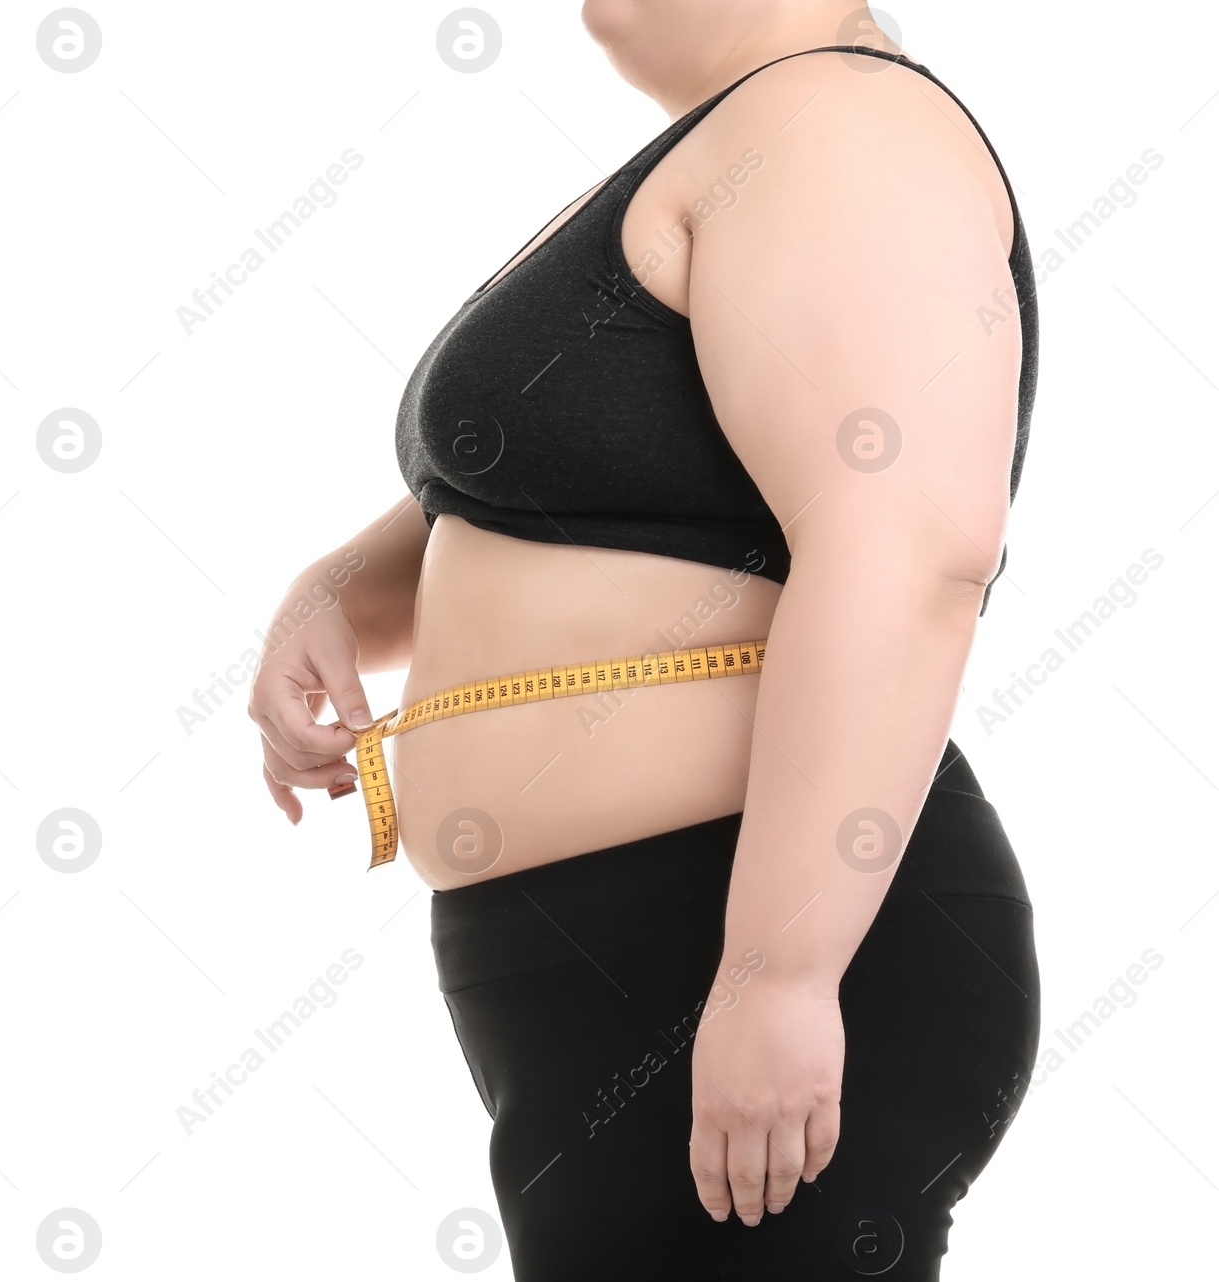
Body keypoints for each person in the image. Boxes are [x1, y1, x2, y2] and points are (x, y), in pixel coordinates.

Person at [248, 2, 1040, 1276]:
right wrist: (330, 593)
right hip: (609, 965)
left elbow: (907, 550)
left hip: (746, 935)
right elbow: (544, 493)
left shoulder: (840, 127)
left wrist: (777, 974)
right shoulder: (728, 151)